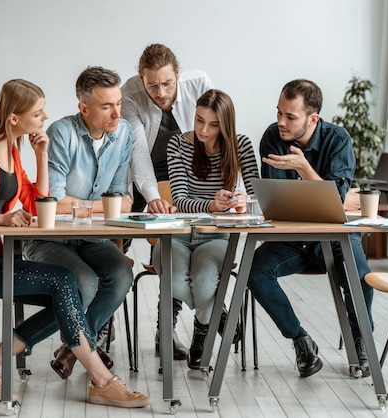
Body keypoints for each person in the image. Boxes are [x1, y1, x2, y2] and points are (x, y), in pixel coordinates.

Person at [0, 79, 149, 408]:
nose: (45, 117)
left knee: (66, 291)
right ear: (15, 118)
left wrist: (41, 154)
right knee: (63, 280)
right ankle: (101, 378)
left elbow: (37, 202)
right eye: (38, 112)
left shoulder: (13, 149)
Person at [247, 79, 373, 378]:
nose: (281, 121)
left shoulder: (338, 139)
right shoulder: (272, 137)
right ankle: (301, 340)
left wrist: (304, 169)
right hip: (293, 238)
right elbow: (277, 200)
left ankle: (362, 343)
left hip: (334, 236)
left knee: (361, 277)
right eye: (279, 112)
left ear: (313, 118)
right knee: (254, 271)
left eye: (290, 116)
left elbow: (335, 200)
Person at [22, 67, 135, 379]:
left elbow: (123, 199)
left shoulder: (123, 133)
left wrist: (91, 206)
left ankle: (73, 348)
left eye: (119, 103)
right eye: (106, 106)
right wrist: (103, 207)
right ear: (83, 108)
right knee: (83, 281)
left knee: (121, 272)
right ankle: (85, 349)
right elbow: (54, 203)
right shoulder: (62, 133)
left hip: (92, 237)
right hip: (50, 239)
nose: (116, 114)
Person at [152, 89, 259, 369]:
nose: (203, 130)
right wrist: (212, 205)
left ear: (225, 125)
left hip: (216, 237)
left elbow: (259, 197)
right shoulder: (178, 144)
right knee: (174, 281)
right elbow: (181, 199)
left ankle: (201, 335)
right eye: (199, 120)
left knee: (203, 280)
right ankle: (219, 316)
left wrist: (242, 202)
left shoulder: (241, 146)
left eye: (213, 125)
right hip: (175, 234)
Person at [120, 43, 214, 359]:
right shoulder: (129, 93)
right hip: (141, 174)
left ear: (178, 74)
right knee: (113, 243)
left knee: (176, 246)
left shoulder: (199, 83)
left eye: (167, 83)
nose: (160, 92)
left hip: (186, 173)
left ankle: (167, 330)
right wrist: (153, 198)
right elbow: (138, 153)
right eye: (152, 85)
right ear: (141, 79)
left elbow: (212, 136)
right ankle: (100, 332)